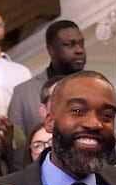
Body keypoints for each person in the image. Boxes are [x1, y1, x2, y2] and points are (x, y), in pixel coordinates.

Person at [7, 19, 89, 158]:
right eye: (70, 45)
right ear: (51, 50)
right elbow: (18, 154)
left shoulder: (99, 90)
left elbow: (115, 143)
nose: (79, 50)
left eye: (81, 44)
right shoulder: (23, 93)